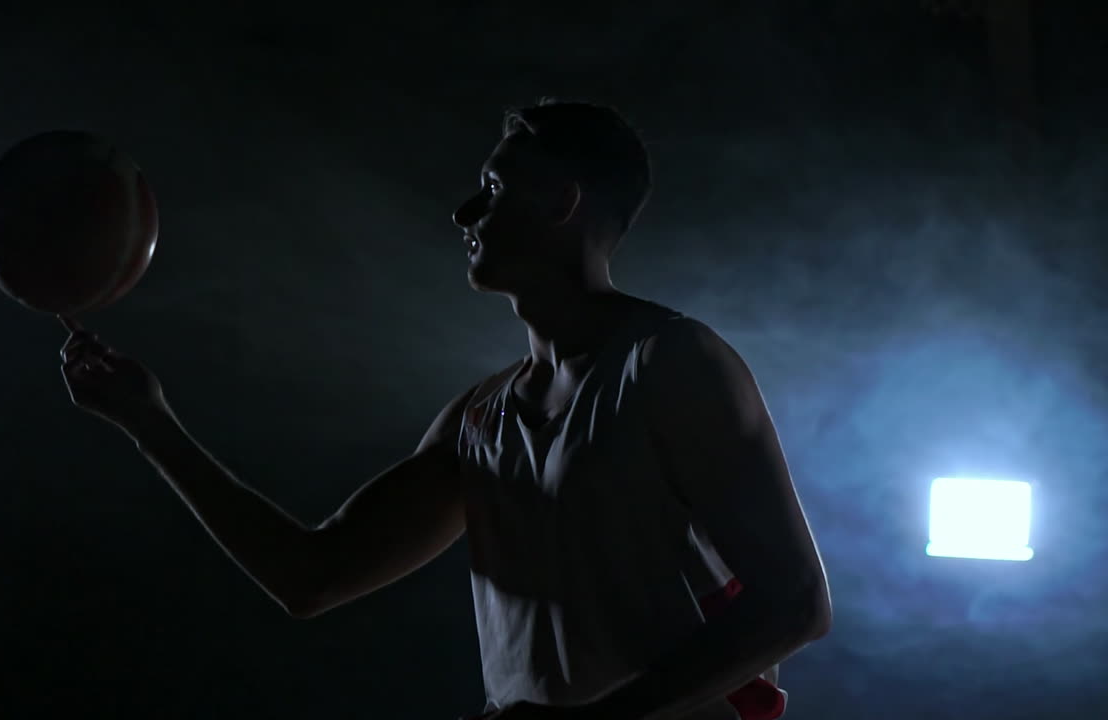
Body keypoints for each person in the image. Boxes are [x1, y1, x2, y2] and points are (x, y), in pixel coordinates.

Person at [59, 99, 831, 720]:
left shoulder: (669, 363)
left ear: (561, 201)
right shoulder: (481, 418)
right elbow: (311, 577)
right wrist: (149, 424)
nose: (464, 214)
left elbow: (797, 604)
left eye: (493, 190)